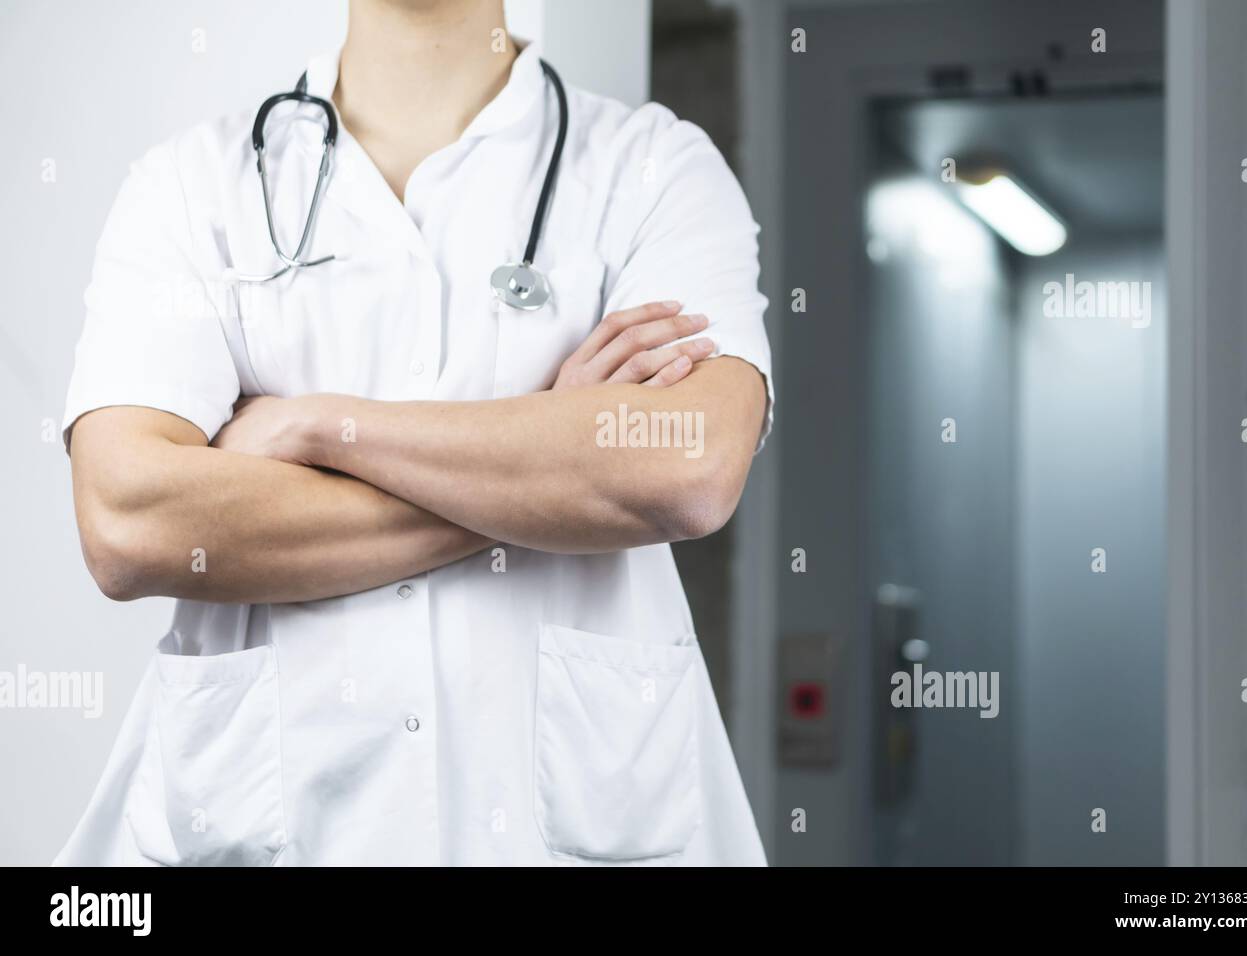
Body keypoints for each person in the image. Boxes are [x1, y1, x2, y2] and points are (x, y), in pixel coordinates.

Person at [58, 0, 772, 865]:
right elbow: (131, 522)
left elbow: (685, 466)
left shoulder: (654, 167)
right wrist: (553, 461)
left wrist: (315, 427)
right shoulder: (191, 186)